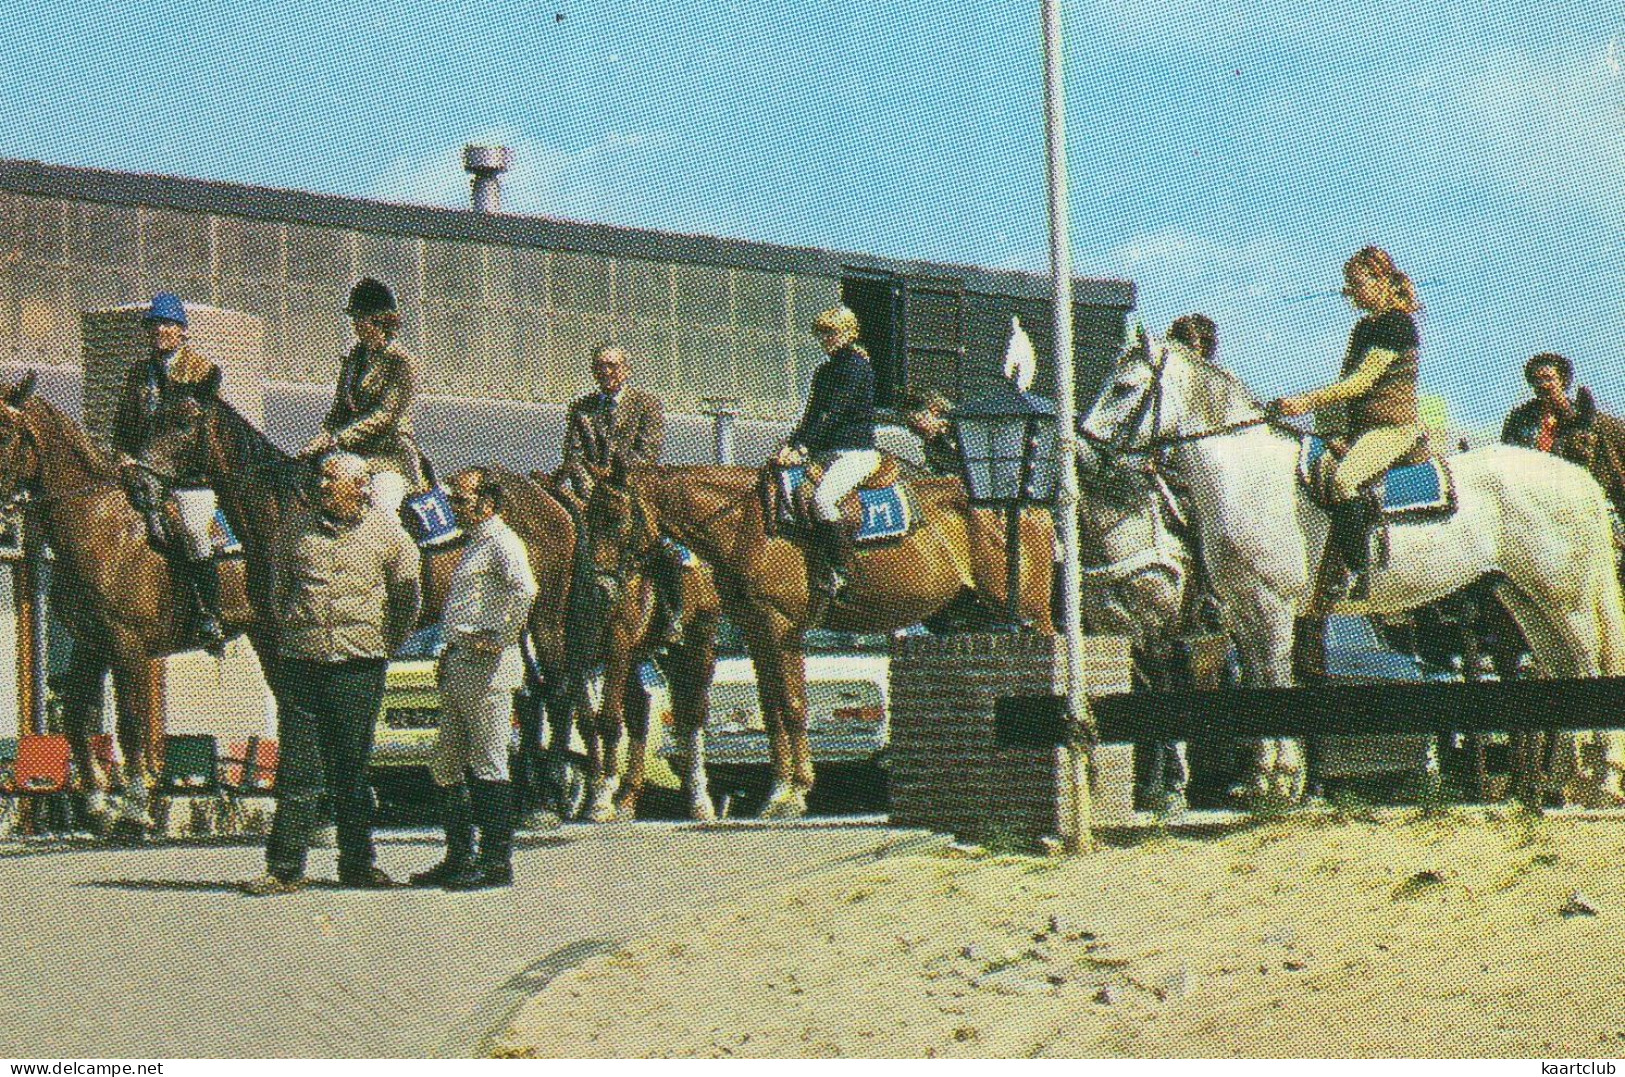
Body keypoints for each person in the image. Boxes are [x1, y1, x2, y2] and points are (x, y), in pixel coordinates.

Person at [242, 452, 421, 896]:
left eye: (330, 480)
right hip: (302, 665)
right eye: (321, 479)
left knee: (351, 769)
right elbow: (277, 588)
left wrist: (385, 642)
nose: (321, 486)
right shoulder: (295, 532)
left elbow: (408, 595)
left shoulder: (388, 535)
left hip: (358, 665)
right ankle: (284, 868)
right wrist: (293, 628)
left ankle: (358, 864)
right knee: (298, 768)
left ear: (359, 487)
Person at [410, 467, 538, 891]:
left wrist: (502, 636)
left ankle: (496, 860)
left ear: (488, 503)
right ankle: (459, 854)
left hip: (488, 669)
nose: (454, 508)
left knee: (488, 764)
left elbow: (525, 589)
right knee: (446, 764)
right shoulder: (475, 543)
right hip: (461, 662)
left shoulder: (503, 541)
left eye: (461, 501)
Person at [1272, 247, 1424, 600]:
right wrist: (1331, 431)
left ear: (1380, 281)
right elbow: (1345, 382)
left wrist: (1305, 401)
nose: (1349, 293)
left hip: (1393, 430)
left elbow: (1362, 382)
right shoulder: (1364, 327)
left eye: (1355, 284)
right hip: (1362, 431)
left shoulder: (1396, 324)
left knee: (1343, 481)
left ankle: (1360, 573)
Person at [111, 292, 226, 653]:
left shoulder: (203, 371)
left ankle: (210, 613)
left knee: (192, 531)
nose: (160, 331)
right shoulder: (137, 374)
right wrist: (124, 456)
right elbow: (123, 426)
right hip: (145, 476)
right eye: (155, 324)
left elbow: (202, 430)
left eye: (168, 324)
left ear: (182, 331)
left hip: (190, 479)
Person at [558, 343, 685, 643]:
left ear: (626, 370)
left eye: (612, 366)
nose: (606, 372)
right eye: (600, 366)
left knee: (664, 546)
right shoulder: (582, 409)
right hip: (592, 496)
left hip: (635, 491)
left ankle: (671, 613)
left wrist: (614, 486)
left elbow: (647, 452)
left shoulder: (647, 404)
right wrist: (592, 493)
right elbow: (574, 457)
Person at [774, 306, 878, 626]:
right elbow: (812, 415)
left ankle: (843, 572)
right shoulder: (824, 371)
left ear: (849, 333)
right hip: (826, 452)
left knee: (822, 500)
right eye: (822, 334)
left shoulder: (858, 367)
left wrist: (804, 447)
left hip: (855, 453)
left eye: (831, 333)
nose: (826, 340)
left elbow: (833, 413)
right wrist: (791, 445)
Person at [300, 278, 425, 519]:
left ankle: (396, 554)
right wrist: (321, 438)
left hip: (388, 457)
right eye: (354, 318)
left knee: (381, 510)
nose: (355, 325)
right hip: (350, 453)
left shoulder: (400, 362)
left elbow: (384, 416)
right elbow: (339, 409)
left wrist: (337, 439)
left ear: (380, 321)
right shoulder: (354, 357)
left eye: (360, 318)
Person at [896, 387, 961, 477]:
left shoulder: (957, 430)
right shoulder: (930, 446)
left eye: (919, 419)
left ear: (934, 411)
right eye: (911, 423)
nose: (917, 426)